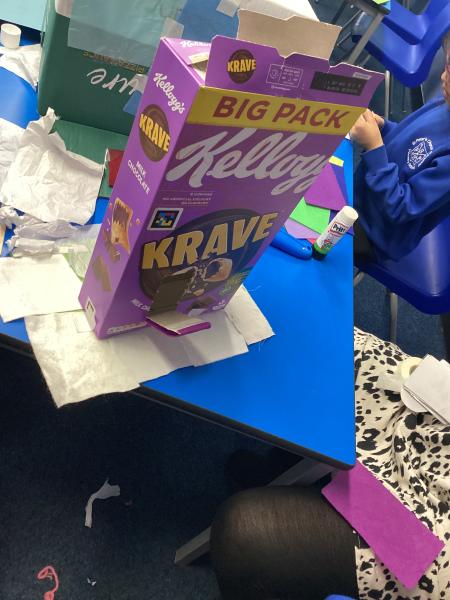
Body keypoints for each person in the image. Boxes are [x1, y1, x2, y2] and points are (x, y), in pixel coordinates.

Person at [351, 31, 450, 262]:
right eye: (447, 66)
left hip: (374, 232)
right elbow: (410, 138)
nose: (442, 77)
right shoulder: (445, 102)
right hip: (361, 195)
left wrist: (374, 147)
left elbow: (399, 208)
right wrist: (383, 127)